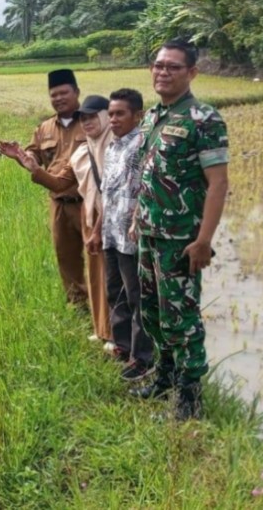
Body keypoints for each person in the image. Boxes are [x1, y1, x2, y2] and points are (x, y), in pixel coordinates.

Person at [130, 39, 229, 420]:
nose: (163, 72)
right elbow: (149, 175)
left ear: (191, 72)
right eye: (158, 65)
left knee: (181, 318)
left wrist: (204, 241)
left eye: (172, 66)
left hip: (181, 241)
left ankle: (190, 401)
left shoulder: (203, 119)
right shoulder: (155, 116)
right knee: (154, 313)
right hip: (151, 234)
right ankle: (165, 379)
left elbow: (218, 184)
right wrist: (138, 218)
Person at [1, 95, 112, 345]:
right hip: (91, 215)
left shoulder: (118, 147)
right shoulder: (83, 152)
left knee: (114, 276)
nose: (88, 122)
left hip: (114, 220)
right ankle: (105, 330)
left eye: (94, 116)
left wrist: (100, 226)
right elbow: (60, 183)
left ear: (107, 116)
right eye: (83, 118)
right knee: (95, 272)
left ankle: (123, 337)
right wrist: (33, 167)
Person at [0, 69, 88, 307]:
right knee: (65, 256)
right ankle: (77, 304)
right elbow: (34, 155)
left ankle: (105, 308)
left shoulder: (91, 122)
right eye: (53, 94)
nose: (58, 98)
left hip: (89, 203)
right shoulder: (44, 128)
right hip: (59, 203)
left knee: (98, 256)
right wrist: (21, 156)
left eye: (63, 93)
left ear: (76, 92)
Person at [101, 89, 154, 381]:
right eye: (110, 114)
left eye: (120, 113)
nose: (113, 119)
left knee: (137, 297)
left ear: (138, 115)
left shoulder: (145, 146)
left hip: (132, 237)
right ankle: (121, 345)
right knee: (115, 292)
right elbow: (107, 192)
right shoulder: (113, 147)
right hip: (111, 232)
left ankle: (142, 358)